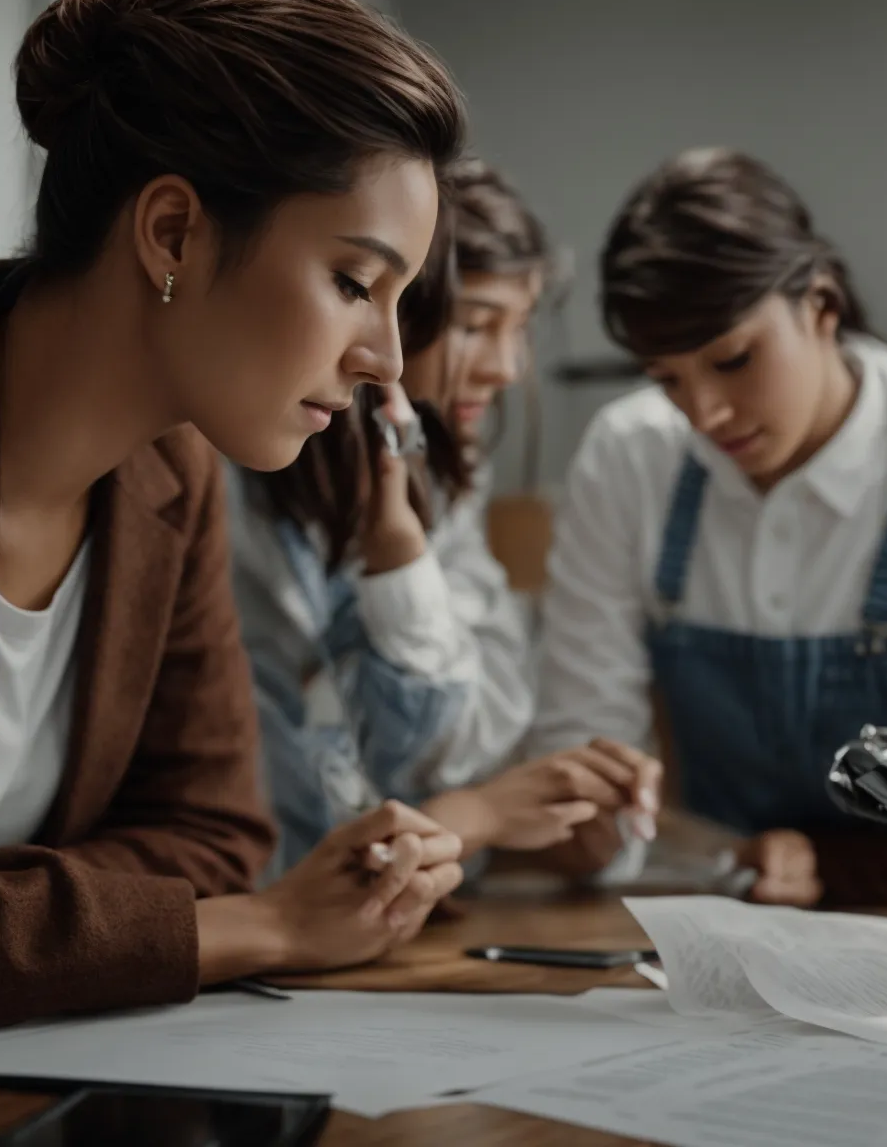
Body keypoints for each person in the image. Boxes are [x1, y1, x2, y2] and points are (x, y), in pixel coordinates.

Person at [0, 0, 475, 1039]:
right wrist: (264, 930)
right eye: (355, 280)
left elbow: (213, 835)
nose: (387, 360)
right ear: (171, 231)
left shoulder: (170, 483)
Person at [526, 147, 887, 978]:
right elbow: (584, 768)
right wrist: (580, 817)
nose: (705, 413)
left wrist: (822, 860)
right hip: (716, 939)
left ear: (821, 304)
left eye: (733, 359)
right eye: (668, 379)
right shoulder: (628, 458)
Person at [231, 158, 660, 872]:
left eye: (518, 328)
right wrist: (474, 815)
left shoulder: (438, 469)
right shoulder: (245, 485)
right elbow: (280, 782)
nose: (508, 368)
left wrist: (401, 555)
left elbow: (478, 731)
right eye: (477, 326)